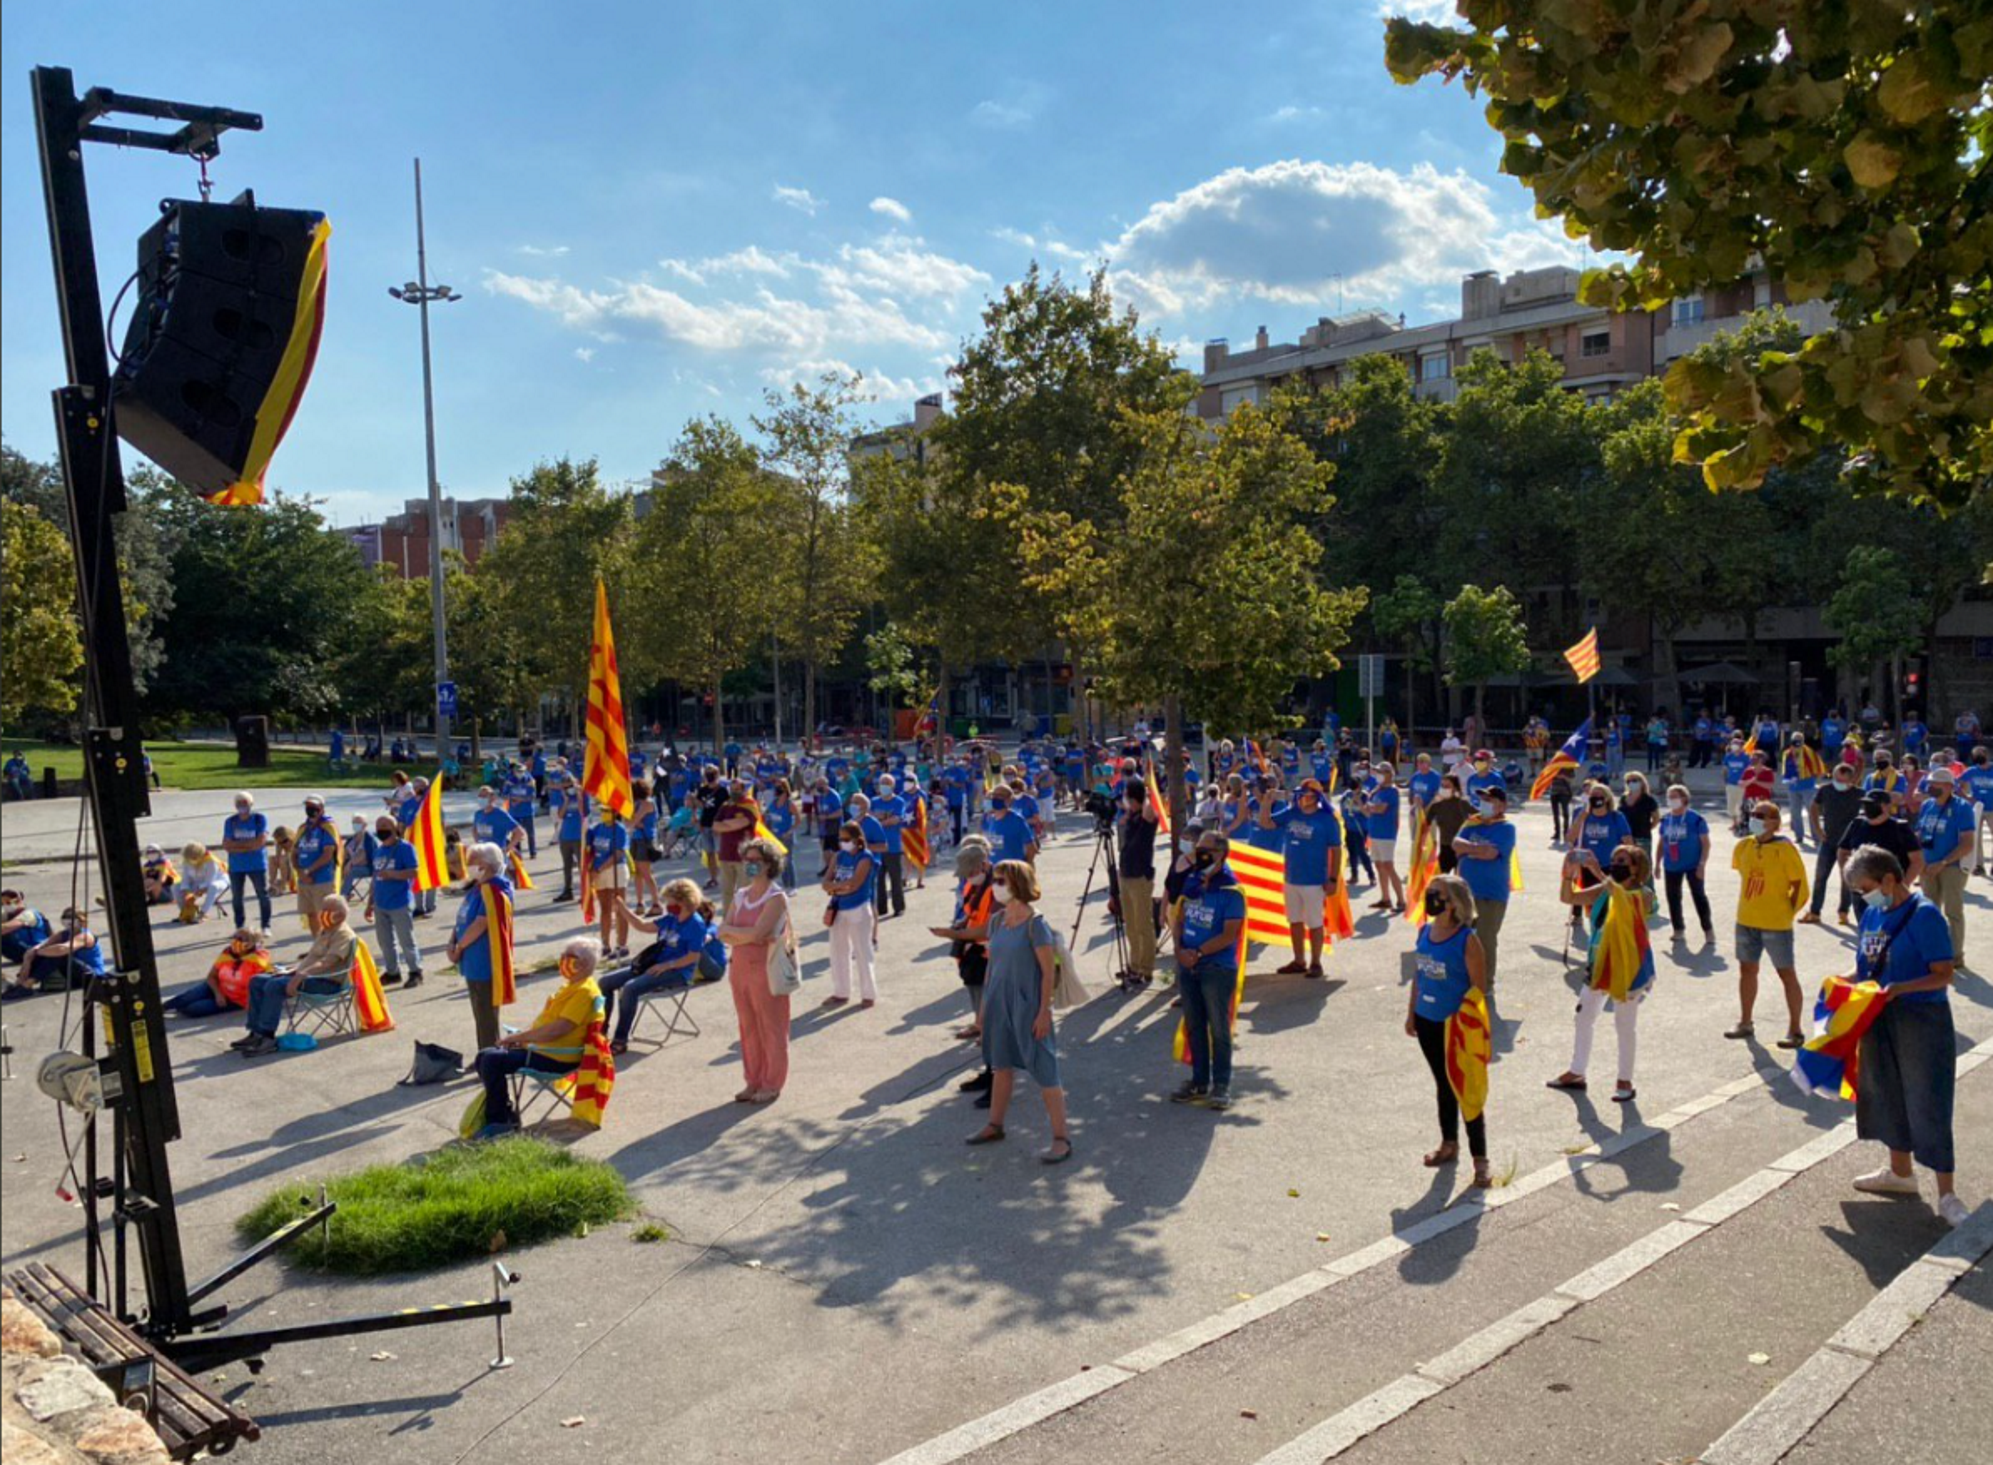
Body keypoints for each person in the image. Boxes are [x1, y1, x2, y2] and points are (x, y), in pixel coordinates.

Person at [1840, 848, 1968, 1226]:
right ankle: (1900, 1173)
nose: (1863, 896)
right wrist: (1844, 981)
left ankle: (1947, 1193)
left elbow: (1943, 973)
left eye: (1865, 888)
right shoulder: (1873, 914)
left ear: (1889, 880)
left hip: (1921, 1017)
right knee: (1885, 1092)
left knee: (1928, 1098)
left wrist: (1899, 988)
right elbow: (1865, 963)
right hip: (1879, 1015)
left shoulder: (1925, 915)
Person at [963, 859, 1072, 1161]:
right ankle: (995, 1125)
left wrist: (1043, 1012)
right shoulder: (998, 921)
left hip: (1027, 1006)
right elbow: (991, 968)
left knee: (1045, 1071)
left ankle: (1061, 1138)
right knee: (1001, 1066)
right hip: (999, 1002)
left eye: (1001, 880)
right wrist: (982, 1013)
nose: (995, 885)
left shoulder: (1036, 925)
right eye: (995, 879)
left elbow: (1048, 973)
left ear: (1017, 884)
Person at [1548, 846, 1656, 1103]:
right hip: (1599, 965)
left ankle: (1625, 1080)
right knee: (1584, 1017)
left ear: (1636, 868)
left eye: (1622, 861)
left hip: (1629, 968)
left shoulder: (1645, 894)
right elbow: (1569, 898)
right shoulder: (1604, 890)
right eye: (1613, 860)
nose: (1615, 864)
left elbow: (1628, 904)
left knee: (1624, 1025)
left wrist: (1596, 871)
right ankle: (1577, 1072)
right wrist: (1568, 873)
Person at [471, 937, 604, 1140]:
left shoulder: (584, 992)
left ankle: (499, 1122)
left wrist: (520, 1037)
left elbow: (558, 1030)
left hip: (556, 1057)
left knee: (492, 1060)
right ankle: (504, 1112)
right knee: (484, 1056)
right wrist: (521, 1039)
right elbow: (546, 1025)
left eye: (569, 957)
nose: (563, 960)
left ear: (584, 963)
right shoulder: (571, 986)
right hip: (542, 1049)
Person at [1405, 872, 1491, 1185]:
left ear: (1453, 903)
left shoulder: (1467, 939)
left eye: (1436, 893)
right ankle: (1449, 1143)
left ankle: (1480, 1159)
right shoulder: (1424, 931)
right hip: (1426, 1020)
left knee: (1465, 1087)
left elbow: (1478, 988)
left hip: (1456, 1026)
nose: (1430, 898)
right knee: (1443, 1083)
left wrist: (1465, 1026)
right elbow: (1419, 975)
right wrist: (1411, 1014)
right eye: (1429, 892)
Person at [1170, 831, 1248, 1110]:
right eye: (1197, 847)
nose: (1198, 852)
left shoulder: (1231, 890)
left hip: (1216, 967)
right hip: (1188, 964)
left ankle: (1221, 1085)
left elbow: (1230, 935)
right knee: (1194, 1025)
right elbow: (1178, 917)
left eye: (1204, 849)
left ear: (1220, 854)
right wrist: (1179, 950)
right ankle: (1199, 1081)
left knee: (1218, 1027)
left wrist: (1199, 953)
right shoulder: (1192, 881)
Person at [230, 897, 357, 1056]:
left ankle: (267, 1036)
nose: (322, 914)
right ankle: (255, 1033)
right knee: (257, 980)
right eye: (322, 909)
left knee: (274, 986)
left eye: (326, 911)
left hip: (327, 982)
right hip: (308, 975)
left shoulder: (344, 934)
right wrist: (290, 970)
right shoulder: (326, 930)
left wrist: (299, 976)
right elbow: (312, 957)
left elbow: (327, 963)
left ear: (340, 915)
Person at [718, 838, 794, 1103]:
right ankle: (753, 1080)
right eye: (746, 860)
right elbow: (721, 931)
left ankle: (772, 1082)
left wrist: (739, 934)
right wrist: (746, 936)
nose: (749, 865)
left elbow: (760, 932)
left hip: (766, 968)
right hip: (739, 967)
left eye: (755, 861)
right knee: (748, 1027)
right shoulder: (740, 895)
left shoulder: (776, 897)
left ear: (769, 864)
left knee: (771, 1026)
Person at [1728, 801, 1809, 1048]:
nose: (1755, 818)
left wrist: (1786, 911)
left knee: (1786, 973)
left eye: (1761, 815)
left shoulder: (1785, 849)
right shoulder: (1744, 846)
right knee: (1747, 970)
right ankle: (1745, 1021)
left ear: (1774, 822)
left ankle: (1795, 1029)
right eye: (1752, 814)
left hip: (1776, 923)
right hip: (1746, 919)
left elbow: (1800, 887)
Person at [602, 880, 712, 1049]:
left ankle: (620, 1040)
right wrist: (623, 909)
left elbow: (692, 957)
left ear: (683, 901)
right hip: (653, 965)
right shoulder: (671, 918)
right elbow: (643, 925)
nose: (667, 905)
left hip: (678, 972)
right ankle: (601, 1031)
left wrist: (666, 966)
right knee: (605, 982)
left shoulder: (695, 924)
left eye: (670, 901)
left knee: (630, 988)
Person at [934, 838, 998, 1098]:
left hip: (991, 960)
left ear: (983, 865)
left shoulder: (998, 888)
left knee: (993, 1021)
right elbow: (971, 912)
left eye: (971, 873)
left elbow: (989, 928)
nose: (968, 879)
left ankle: (996, 1080)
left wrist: (957, 934)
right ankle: (990, 1071)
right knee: (984, 1017)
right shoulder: (977, 886)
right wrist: (961, 925)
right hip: (976, 958)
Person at [1259, 779, 1341, 978]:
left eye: (1306, 795)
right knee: (1294, 921)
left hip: (1314, 880)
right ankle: (1299, 960)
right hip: (1291, 878)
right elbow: (1266, 823)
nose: (1302, 798)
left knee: (1314, 923)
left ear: (1315, 797)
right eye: (1300, 794)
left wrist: (1332, 878)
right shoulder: (1291, 813)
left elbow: (1336, 850)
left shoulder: (1327, 819)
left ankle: (1316, 962)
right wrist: (1266, 803)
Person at [448, 843, 516, 1054]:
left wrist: (459, 946)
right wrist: (452, 941)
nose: (468, 867)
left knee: (486, 1015)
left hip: (485, 962)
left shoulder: (495, 890)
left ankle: (489, 1057)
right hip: (471, 960)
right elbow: (463, 918)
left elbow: (480, 923)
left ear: (485, 865)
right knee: (479, 1013)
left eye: (472, 863)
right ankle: (484, 1053)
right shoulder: (478, 888)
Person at [1451, 785, 1517, 995]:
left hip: (1491, 894)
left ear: (1502, 805)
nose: (1485, 803)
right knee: (1463, 938)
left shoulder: (1506, 828)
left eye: (1490, 800)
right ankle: (1466, 978)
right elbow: (1455, 843)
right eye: (1483, 799)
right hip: (1466, 892)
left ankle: (1485, 984)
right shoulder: (1472, 823)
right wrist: (1476, 850)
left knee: (1486, 940)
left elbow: (1491, 853)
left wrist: (1469, 849)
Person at [1913, 765, 1974, 966]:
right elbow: (1920, 834)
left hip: (1952, 867)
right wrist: (1918, 859)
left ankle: (1956, 956)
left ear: (1949, 786)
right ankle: (1933, 953)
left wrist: (1944, 862)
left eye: (1935, 783)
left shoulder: (1962, 808)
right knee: (1929, 912)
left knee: (1953, 911)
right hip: (1927, 866)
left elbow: (1967, 843)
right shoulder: (1927, 805)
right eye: (1929, 783)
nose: (1930, 786)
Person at [822, 819, 879, 1008]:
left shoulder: (865, 857)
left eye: (846, 838)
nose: (842, 842)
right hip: (839, 907)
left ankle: (868, 994)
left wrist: (835, 887)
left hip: (859, 908)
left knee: (863, 951)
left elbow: (855, 884)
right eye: (840, 838)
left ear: (857, 839)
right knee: (838, 951)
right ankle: (841, 992)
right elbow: (825, 883)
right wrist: (839, 888)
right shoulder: (838, 856)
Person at [1802, 763, 1866, 926]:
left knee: (1847, 879)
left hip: (1849, 844)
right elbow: (1814, 808)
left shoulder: (1860, 794)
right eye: (1836, 778)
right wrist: (1817, 829)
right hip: (1828, 841)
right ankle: (1815, 911)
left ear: (1852, 780)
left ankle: (1843, 911)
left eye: (1842, 780)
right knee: (1820, 877)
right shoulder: (1826, 790)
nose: (1838, 782)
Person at [364, 816, 424, 987]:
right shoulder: (379, 850)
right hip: (381, 902)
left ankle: (415, 971)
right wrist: (370, 903)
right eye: (378, 826)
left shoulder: (404, 848)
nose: (381, 829)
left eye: (385, 825)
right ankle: (392, 972)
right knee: (385, 941)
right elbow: (375, 878)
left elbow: (414, 871)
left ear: (394, 827)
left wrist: (393, 875)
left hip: (400, 901)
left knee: (406, 939)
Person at [1, 907, 106, 1000]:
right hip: (73, 976)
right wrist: (31, 955)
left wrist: (39, 951)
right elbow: (43, 945)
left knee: (57, 954)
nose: (68, 921)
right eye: (65, 918)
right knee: (39, 953)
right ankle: (20, 984)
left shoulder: (85, 936)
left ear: (82, 921)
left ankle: (27, 985)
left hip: (92, 977)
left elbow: (62, 949)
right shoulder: (63, 934)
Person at [1116, 777, 1161, 987]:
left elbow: (1150, 809)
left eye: (1126, 794)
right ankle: (1134, 965)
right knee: (1131, 924)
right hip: (1125, 874)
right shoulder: (1131, 816)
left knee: (1143, 924)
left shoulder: (1147, 816)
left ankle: (1146, 968)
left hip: (1140, 876)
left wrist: (1147, 789)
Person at [165, 927, 269, 1017]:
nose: (235, 941)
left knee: (192, 1009)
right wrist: (218, 993)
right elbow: (211, 976)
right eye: (234, 937)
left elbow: (259, 988)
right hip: (216, 987)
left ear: (251, 943)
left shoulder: (258, 961)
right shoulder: (228, 952)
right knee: (185, 998)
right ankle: (159, 1009)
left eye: (240, 939)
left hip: (235, 999)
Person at [1656, 784, 1714, 942]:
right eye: (1669, 797)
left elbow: (1706, 843)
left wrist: (1702, 864)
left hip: (1693, 865)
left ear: (1684, 799)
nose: (1671, 800)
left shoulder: (1695, 819)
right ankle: (1678, 929)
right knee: (1673, 897)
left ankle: (1708, 929)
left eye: (1675, 796)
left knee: (1699, 896)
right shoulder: (1666, 819)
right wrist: (1657, 864)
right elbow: (1662, 843)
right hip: (1671, 865)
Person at [221, 792, 272, 931]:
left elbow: (260, 842)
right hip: (237, 866)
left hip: (256, 864)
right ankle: (239, 926)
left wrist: (237, 845)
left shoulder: (259, 819)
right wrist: (248, 846)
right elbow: (226, 845)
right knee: (237, 897)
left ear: (251, 804)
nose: (242, 807)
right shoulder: (230, 821)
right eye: (239, 804)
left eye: (245, 803)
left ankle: (265, 925)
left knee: (262, 894)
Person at [587, 809, 632, 959]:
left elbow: (619, 853)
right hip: (599, 871)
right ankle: (605, 944)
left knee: (620, 907)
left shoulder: (619, 829)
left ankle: (622, 944)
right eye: (602, 810)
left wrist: (599, 868)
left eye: (606, 811)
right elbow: (588, 847)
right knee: (605, 908)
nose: (603, 813)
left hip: (615, 868)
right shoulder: (597, 828)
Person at [292, 796, 340, 934]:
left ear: (321, 809)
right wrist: (300, 872)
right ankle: (318, 945)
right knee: (311, 914)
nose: (310, 810)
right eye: (308, 806)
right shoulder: (303, 829)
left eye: (313, 807)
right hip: (304, 880)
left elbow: (327, 854)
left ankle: (330, 945)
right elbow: (294, 853)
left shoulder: (328, 827)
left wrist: (309, 871)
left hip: (322, 879)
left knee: (326, 915)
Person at [1363, 761, 1406, 915]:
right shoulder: (1377, 791)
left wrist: (1370, 807)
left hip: (1386, 833)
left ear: (1389, 774)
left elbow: (1380, 809)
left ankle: (1401, 900)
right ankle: (1385, 898)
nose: (1378, 775)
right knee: (1379, 865)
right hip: (1374, 832)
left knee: (1388, 866)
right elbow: (1368, 810)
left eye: (1381, 772)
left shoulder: (1392, 792)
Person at [712, 781, 757, 914]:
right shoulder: (725, 806)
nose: (734, 792)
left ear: (743, 790)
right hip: (726, 854)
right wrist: (729, 825)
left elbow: (743, 823)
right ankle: (728, 920)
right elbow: (715, 825)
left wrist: (726, 824)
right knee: (727, 892)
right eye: (732, 789)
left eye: (737, 789)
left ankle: (746, 918)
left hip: (744, 856)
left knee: (746, 890)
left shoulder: (750, 805)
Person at [869, 776, 909, 919]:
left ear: (892, 786)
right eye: (882, 783)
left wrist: (881, 819)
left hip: (893, 846)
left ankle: (899, 907)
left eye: (887, 784)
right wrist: (884, 818)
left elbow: (896, 819)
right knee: (878, 880)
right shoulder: (874, 801)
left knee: (895, 879)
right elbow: (870, 816)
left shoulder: (899, 801)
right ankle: (881, 908)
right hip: (877, 847)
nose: (884, 786)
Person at [981, 785, 1038, 866]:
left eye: (1000, 795)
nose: (995, 798)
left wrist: (1024, 866)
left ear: (1009, 800)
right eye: (994, 795)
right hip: (995, 871)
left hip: (1012, 871)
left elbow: (1031, 848)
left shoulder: (1017, 820)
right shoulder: (990, 819)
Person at [629, 779, 662, 917]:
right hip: (636, 838)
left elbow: (633, 820)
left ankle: (656, 904)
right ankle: (640, 902)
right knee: (637, 872)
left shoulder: (647, 803)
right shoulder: (636, 803)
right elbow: (628, 822)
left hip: (645, 839)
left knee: (646, 873)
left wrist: (634, 822)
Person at [176, 843, 229, 924]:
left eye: (194, 857)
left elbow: (209, 881)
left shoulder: (210, 860)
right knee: (175, 886)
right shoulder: (187, 861)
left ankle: (203, 913)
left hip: (218, 880)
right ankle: (186, 913)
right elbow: (185, 879)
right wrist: (186, 891)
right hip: (198, 882)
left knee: (213, 886)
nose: (191, 859)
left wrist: (196, 893)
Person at [2, 892, 53, 972]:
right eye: (2, 904)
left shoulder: (29, 914)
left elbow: (5, 928)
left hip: (36, 950)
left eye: (8, 903)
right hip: (21, 952)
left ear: (18, 901)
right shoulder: (9, 914)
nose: (5, 906)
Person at [1619, 772, 1659, 870]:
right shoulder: (1623, 798)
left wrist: (1647, 827)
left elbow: (1656, 818)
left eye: (1634, 780)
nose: (1631, 783)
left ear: (1642, 782)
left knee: (1643, 865)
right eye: (1628, 781)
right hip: (1625, 838)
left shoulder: (1648, 799)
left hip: (1642, 838)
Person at [341, 817, 378, 901]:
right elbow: (344, 853)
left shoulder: (369, 839)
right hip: (352, 866)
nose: (355, 825)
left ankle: (343, 895)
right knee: (338, 869)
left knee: (351, 870)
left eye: (358, 823)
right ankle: (342, 892)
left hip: (369, 867)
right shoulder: (351, 839)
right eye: (354, 823)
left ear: (365, 825)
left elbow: (365, 857)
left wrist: (350, 864)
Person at [1721, 737, 1749, 830]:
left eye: (1736, 744)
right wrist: (1725, 781)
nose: (1734, 746)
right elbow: (1725, 769)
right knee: (1731, 804)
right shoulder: (1728, 756)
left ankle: (1740, 822)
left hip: (1742, 785)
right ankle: (1734, 822)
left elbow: (1748, 770)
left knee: (1741, 804)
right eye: (1733, 744)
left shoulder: (1745, 757)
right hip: (1731, 784)